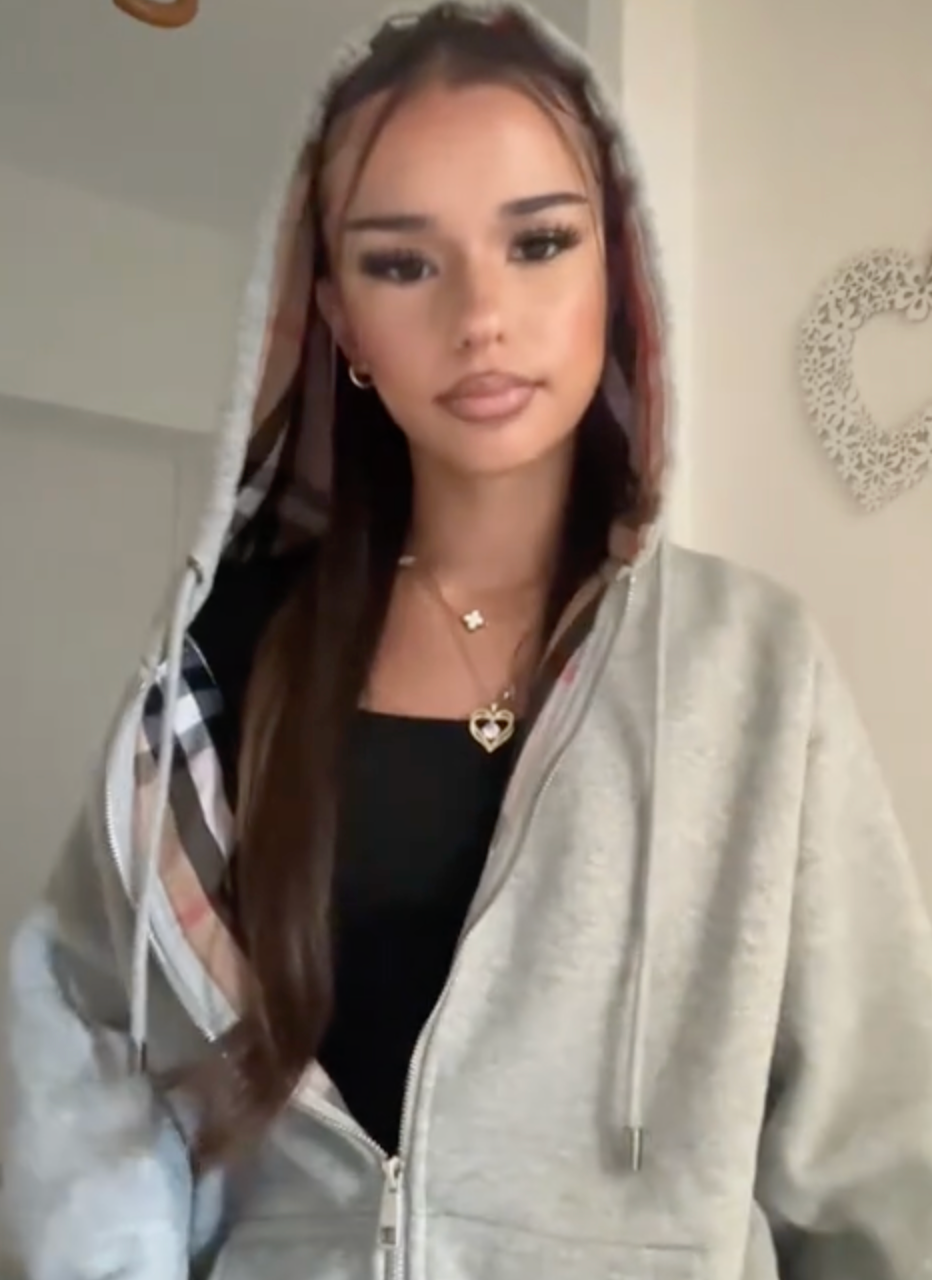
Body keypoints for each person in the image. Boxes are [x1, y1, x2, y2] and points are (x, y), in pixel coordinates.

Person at [3, 3, 931, 1277]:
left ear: (615, 271)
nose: (481, 313)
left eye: (538, 242)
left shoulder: (753, 670)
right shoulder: (217, 667)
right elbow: (91, 1042)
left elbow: (877, 1159)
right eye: (402, 263)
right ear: (338, 316)